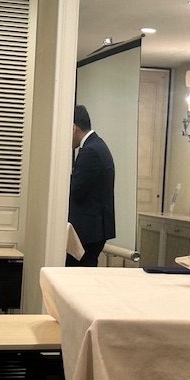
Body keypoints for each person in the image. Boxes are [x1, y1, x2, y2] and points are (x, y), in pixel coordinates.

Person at [66, 105, 116, 267]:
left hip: (88, 231)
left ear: (73, 128)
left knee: (77, 276)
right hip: (94, 229)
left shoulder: (90, 151)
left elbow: (75, 190)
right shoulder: (97, 145)